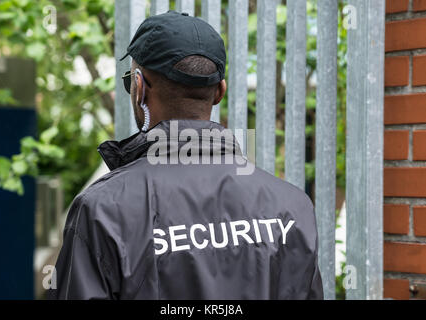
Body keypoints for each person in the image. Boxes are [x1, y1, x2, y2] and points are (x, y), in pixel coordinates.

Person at [48, 11, 323, 300]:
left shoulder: (103, 210)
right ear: (219, 92)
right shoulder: (292, 207)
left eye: (130, 81)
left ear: (139, 88)